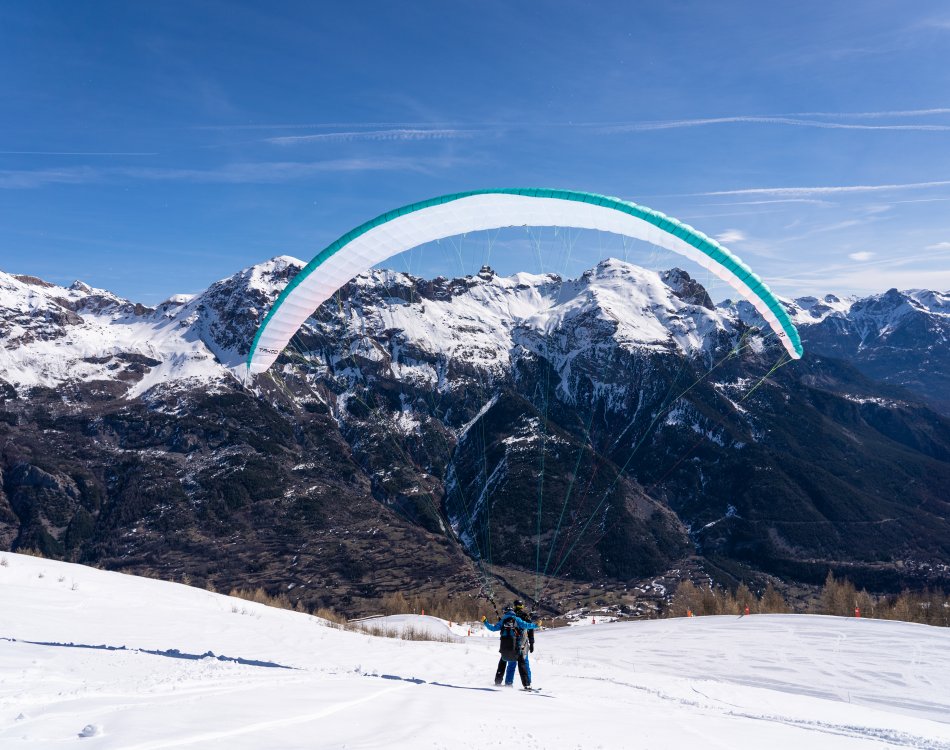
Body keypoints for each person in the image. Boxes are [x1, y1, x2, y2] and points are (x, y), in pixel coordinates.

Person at [482, 602, 538, 689]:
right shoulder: (517, 619)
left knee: (504, 663)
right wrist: (536, 625)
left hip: (504, 647)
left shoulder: (503, 621)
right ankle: (527, 685)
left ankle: (502, 682)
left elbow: (493, 628)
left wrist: (485, 622)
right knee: (522, 665)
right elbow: (527, 625)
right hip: (516, 647)